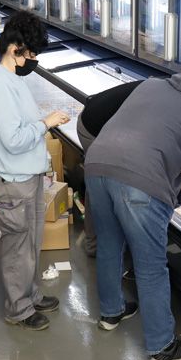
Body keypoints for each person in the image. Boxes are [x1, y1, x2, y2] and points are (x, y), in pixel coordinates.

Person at [84, 68, 181, 360]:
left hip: (97, 164)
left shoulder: (151, 86)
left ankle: (111, 312)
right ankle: (161, 346)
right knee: (151, 267)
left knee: (109, 245)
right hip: (140, 181)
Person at [0, 11, 72, 331]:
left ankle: (29, 294)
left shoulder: (13, 79)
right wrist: (46, 123)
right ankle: (18, 308)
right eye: (31, 54)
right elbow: (13, 139)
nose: (33, 60)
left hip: (25, 176)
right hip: (11, 180)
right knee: (18, 245)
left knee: (31, 241)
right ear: (14, 48)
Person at [76, 79, 141, 257]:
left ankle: (106, 239)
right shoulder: (162, 99)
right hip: (93, 129)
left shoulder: (161, 87)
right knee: (99, 184)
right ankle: (95, 243)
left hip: (98, 120)